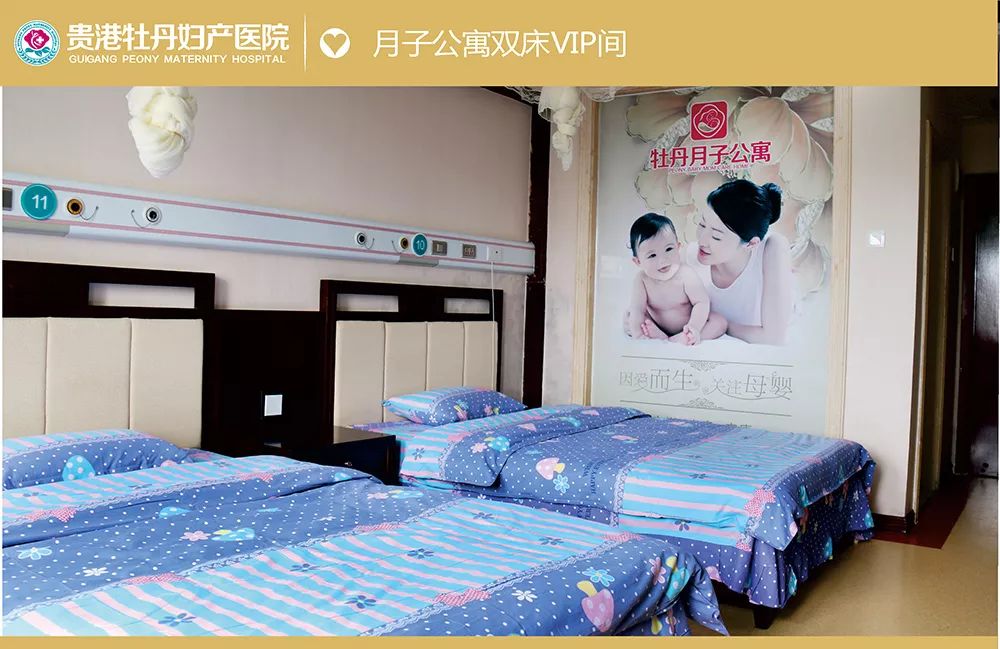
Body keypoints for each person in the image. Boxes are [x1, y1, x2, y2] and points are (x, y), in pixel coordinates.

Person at [686, 179, 793, 345]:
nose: (702, 240)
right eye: (702, 224)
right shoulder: (691, 258)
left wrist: (722, 326)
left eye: (716, 236)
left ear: (751, 244)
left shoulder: (772, 248)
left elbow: (774, 338)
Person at [624, 213, 727, 345]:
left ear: (678, 247)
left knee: (720, 322)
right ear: (638, 261)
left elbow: (701, 302)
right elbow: (638, 309)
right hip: (656, 324)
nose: (663, 260)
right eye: (652, 255)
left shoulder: (686, 274)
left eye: (668, 249)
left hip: (687, 325)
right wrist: (638, 335)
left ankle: (681, 338)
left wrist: (694, 327)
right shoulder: (641, 280)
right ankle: (657, 334)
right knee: (630, 317)